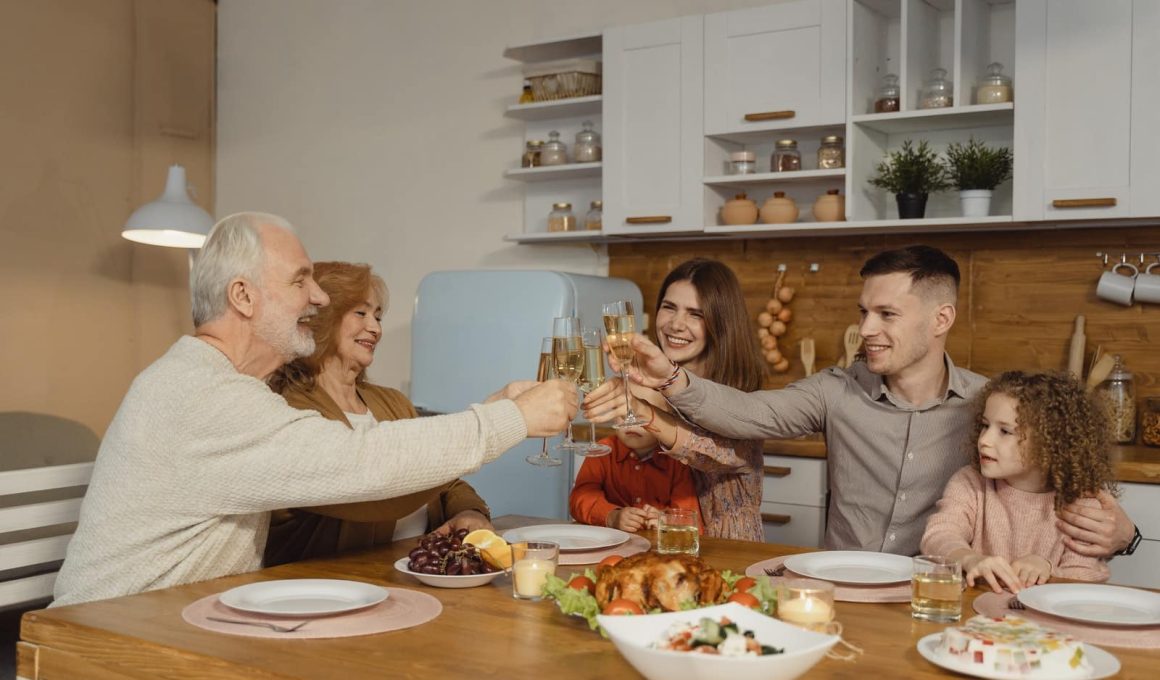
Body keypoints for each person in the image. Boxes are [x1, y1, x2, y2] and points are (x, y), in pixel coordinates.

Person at [52, 212, 577, 606]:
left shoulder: (219, 386)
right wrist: (512, 419)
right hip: (106, 638)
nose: (319, 297)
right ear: (243, 296)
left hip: (169, 623)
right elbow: (359, 463)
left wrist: (494, 410)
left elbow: (369, 456)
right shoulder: (203, 396)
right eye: (300, 280)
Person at [610, 245, 1135, 557]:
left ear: (940, 319)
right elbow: (747, 414)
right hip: (841, 588)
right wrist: (671, 376)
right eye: (865, 312)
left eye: (886, 315)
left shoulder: (988, 407)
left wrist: (1125, 533)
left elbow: (1057, 487)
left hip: (941, 595)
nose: (865, 329)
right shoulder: (836, 389)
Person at [264, 261, 492, 567]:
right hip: (331, 588)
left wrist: (470, 512)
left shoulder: (393, 402)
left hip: (414, 576)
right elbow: (371, 489)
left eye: (378, 316)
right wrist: (492, 422)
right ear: (321, 317)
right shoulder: (290, 408)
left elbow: (445, 479)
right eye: (361, 313)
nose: (375, 328)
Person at [585, 258, 766, 541]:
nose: (676, 324)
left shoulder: (742, 398)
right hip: (663, 550)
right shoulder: (651, 385)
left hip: (728, 552)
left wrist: (644, 412)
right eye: (669, 307)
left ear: (721, 322)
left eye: (696, 314)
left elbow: (711, 452)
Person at [921, 371, 1114, 592]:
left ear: (1050, 444)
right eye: (985, 425)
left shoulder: (1082, 502)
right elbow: (940, 534)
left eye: (1005, 431)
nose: (984, 440)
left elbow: (1084, 577)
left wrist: (1047, 569)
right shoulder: (970, 483)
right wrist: (969, 559)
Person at [568, 419, 700, 533]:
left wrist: (667, 520)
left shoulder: (677, 459)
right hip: (611, 545)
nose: (630, 423)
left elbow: (690, 516)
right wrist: (612, 516)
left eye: (641, 416)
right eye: (623, 415)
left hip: (658, 551)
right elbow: (580, 498)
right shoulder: (602, 450)